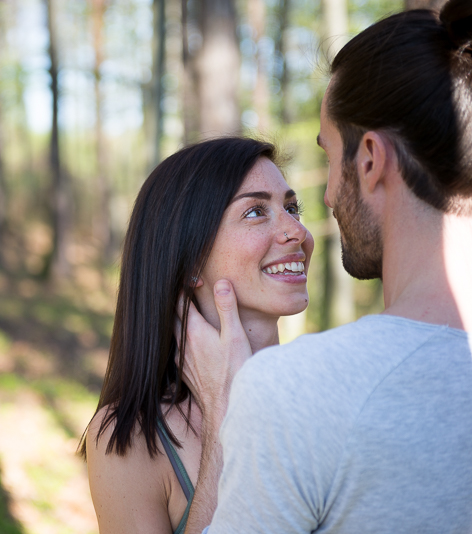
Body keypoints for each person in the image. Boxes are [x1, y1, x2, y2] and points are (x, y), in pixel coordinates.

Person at [181, 3, 472, 533]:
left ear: (368, 160)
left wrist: (230, 402)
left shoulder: (299, 393)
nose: (328, 199)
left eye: (328, 155)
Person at [80, 137, 314, 534]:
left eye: (292, 208)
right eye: (256, 211)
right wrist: (224, 411)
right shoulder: (131, 439)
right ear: (190, 260)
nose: (297, 231)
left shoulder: (325, 395)